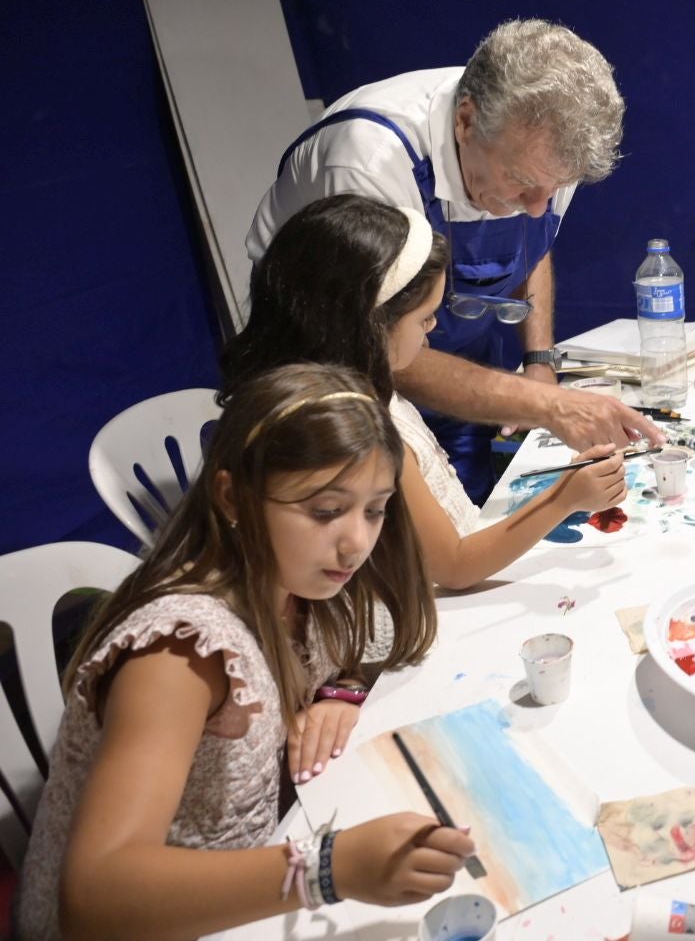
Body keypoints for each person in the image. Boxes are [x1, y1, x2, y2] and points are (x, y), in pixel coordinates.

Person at [17, 364, 475, 939]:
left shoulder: (297, 582)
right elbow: (94, 898)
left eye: (375, 509)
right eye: (326, 510)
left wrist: (340, 690)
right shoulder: (179, 653)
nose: (357, 540)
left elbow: (385, 633)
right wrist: (329, 868)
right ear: (234, 496)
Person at [249, 18, 661, 502]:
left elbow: (533, 246)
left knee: (469, 513)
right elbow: (380, 352)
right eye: (522, 182)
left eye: (555, 189)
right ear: (465, 121)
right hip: (336, 375)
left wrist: (539, 363)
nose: (536, 205)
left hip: (456, 351)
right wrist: (549, 405)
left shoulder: (539, 155)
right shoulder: (369, 160)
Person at [223, 195, 627, 591]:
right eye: (424, 316)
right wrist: (563, 499)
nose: (433, 327)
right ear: (369, 324)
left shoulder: (367, 389)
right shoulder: (363, 430)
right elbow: (454, 565)